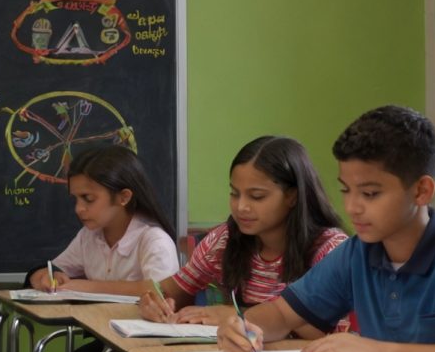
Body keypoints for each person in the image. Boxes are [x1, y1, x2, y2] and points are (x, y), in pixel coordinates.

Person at [218, 106, 435, 352]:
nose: (352, 207)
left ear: (421, 191)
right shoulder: (358, 253)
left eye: (370, 193)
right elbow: (281, 313)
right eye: (345, 190)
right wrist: (243, 327)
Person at [27, 145, 179, 352]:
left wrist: (82, 285)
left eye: (88, 199)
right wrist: (43, 276)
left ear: (123, 197)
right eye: (76, 199)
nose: (79, 209)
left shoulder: (153, 239)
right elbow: (54, 268)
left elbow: (161, 290)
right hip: (107, 348)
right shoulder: (90, 236)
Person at [139, 136, 348, 326]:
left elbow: (327, 329)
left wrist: (237, 315)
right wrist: (155, 302)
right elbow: (172, 290)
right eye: (234, 194)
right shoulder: (225, 239)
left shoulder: (330, 249)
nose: (241, 207)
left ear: (292, 196)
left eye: (256, 196)